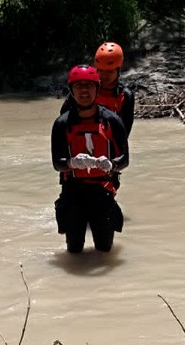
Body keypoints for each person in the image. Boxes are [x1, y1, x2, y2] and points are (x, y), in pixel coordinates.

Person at [51, 65, 130, 254]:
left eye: (89, 85)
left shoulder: (112, 121)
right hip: (73, 192)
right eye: (78, 86)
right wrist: (72, 163)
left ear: (97, 88)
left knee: (104, 250)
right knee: (74, 250)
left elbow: (125, 159)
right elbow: (57, 163)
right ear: (71, 90)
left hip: (103, 191)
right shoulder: (62, 124)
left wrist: (112, 164)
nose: (84, 91)